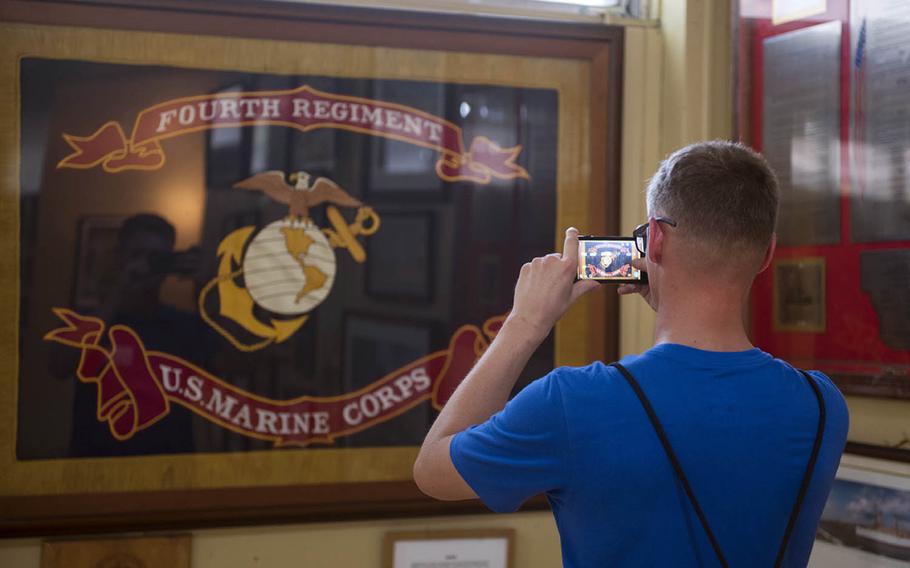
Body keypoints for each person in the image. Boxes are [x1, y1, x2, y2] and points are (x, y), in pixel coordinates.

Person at [413, 141, 849, 567]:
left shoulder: (572, 403)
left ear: (654, 239)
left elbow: (432, 471)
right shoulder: (822, 405)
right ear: (767, 253)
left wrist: (524, 324)